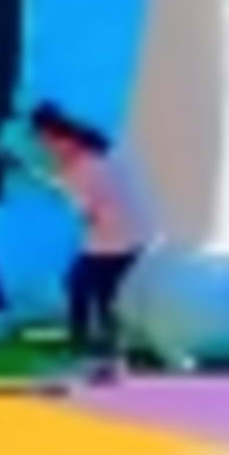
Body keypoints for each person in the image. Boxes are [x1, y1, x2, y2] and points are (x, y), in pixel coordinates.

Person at [11, 101, 154, 374]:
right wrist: (40, 177)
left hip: (115, 242)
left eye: (47, 142)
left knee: (92, 293)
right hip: (116, 240)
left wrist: (59, 190)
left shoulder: (86, 166)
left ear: (61, 138)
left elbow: (84, 211)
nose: (47, 149)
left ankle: (96, 354)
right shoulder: (92, 159)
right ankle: (99, 354)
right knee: (88, 290)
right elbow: (71, 192)